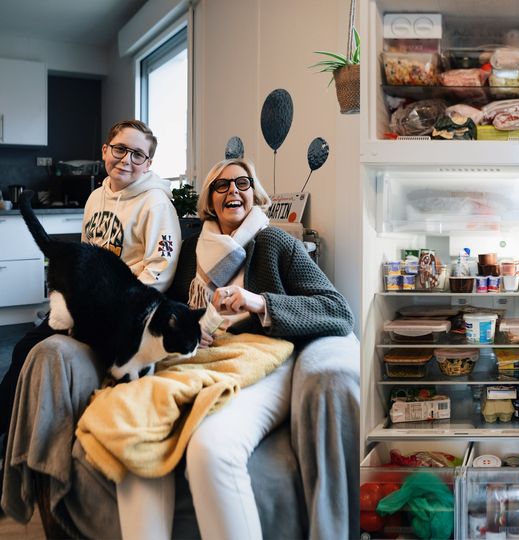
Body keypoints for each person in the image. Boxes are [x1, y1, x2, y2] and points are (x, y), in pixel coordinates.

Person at [114, 156, 355, 540]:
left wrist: (260, 303)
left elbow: (338, 311)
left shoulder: (276, 242)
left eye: (242, 183)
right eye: (221, 186)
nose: (233, 192)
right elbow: (165, 310)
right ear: (210, 200)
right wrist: (190, 327)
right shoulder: (191, 248)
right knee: (135, 436)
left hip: (263, 363)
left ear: (254, 193)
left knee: (211, 450)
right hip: (200, 362)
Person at [0, 119, 181, 478]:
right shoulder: (97, 197)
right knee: (25, 350)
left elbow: (160, 270)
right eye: (119, 149)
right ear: (105, 151)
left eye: (138, 154)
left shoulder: (156, 204)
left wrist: (112, 309)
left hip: (118, 315)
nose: (126, 159)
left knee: (30, 352)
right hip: (83, 304)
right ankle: (9, 446)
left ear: (148, 163)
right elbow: (87, 252)